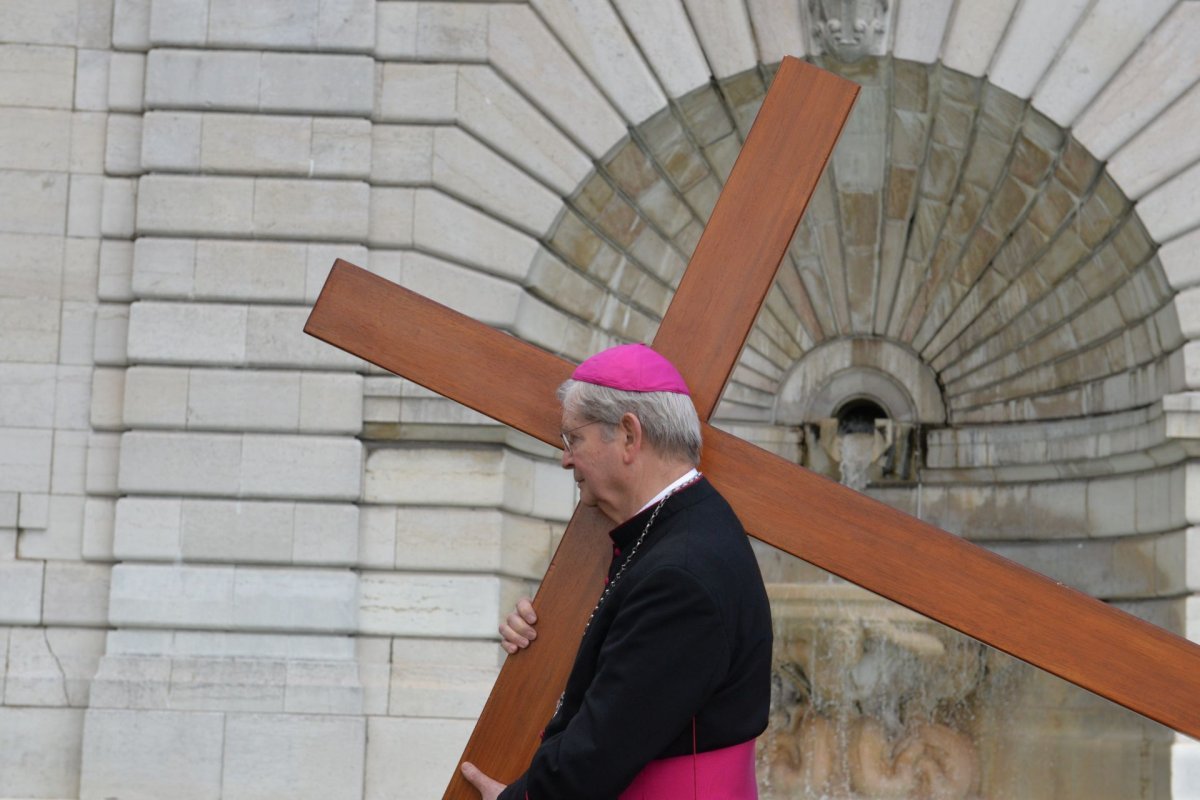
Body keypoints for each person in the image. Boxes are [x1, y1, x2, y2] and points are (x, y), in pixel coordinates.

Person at [460, 343, 773, 800]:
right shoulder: (681, 529)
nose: (566, 459)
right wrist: (541, 637)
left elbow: (601, 750)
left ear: (629, 435)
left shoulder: (681, 576)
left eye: (573, 439)